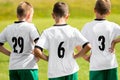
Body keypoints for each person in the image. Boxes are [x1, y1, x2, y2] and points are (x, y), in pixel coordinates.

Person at [34, 1, 91, 80]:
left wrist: (47, 58)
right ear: (67, 16)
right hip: (71, 70)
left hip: (54, 72)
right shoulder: (73, 31)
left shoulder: (47, 32)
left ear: (53, 15)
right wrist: (76, 56)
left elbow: (37, 50)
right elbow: (88, 46)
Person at [81, 0, 120, 80]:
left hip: (96, 65)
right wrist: (114, 42)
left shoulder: (88, 26)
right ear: (109, 12)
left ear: (94, 10)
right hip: (110, 64)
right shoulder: (112, 26)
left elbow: (77, 43)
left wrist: (84, 56)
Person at [0, 1, 39, 80]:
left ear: (17, 15)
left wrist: (11, 54)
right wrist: (37, 54)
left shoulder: (8, 28)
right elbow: (40, 44)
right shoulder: (30, 27)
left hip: (13, 67)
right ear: (28, 15)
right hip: (29, 66)